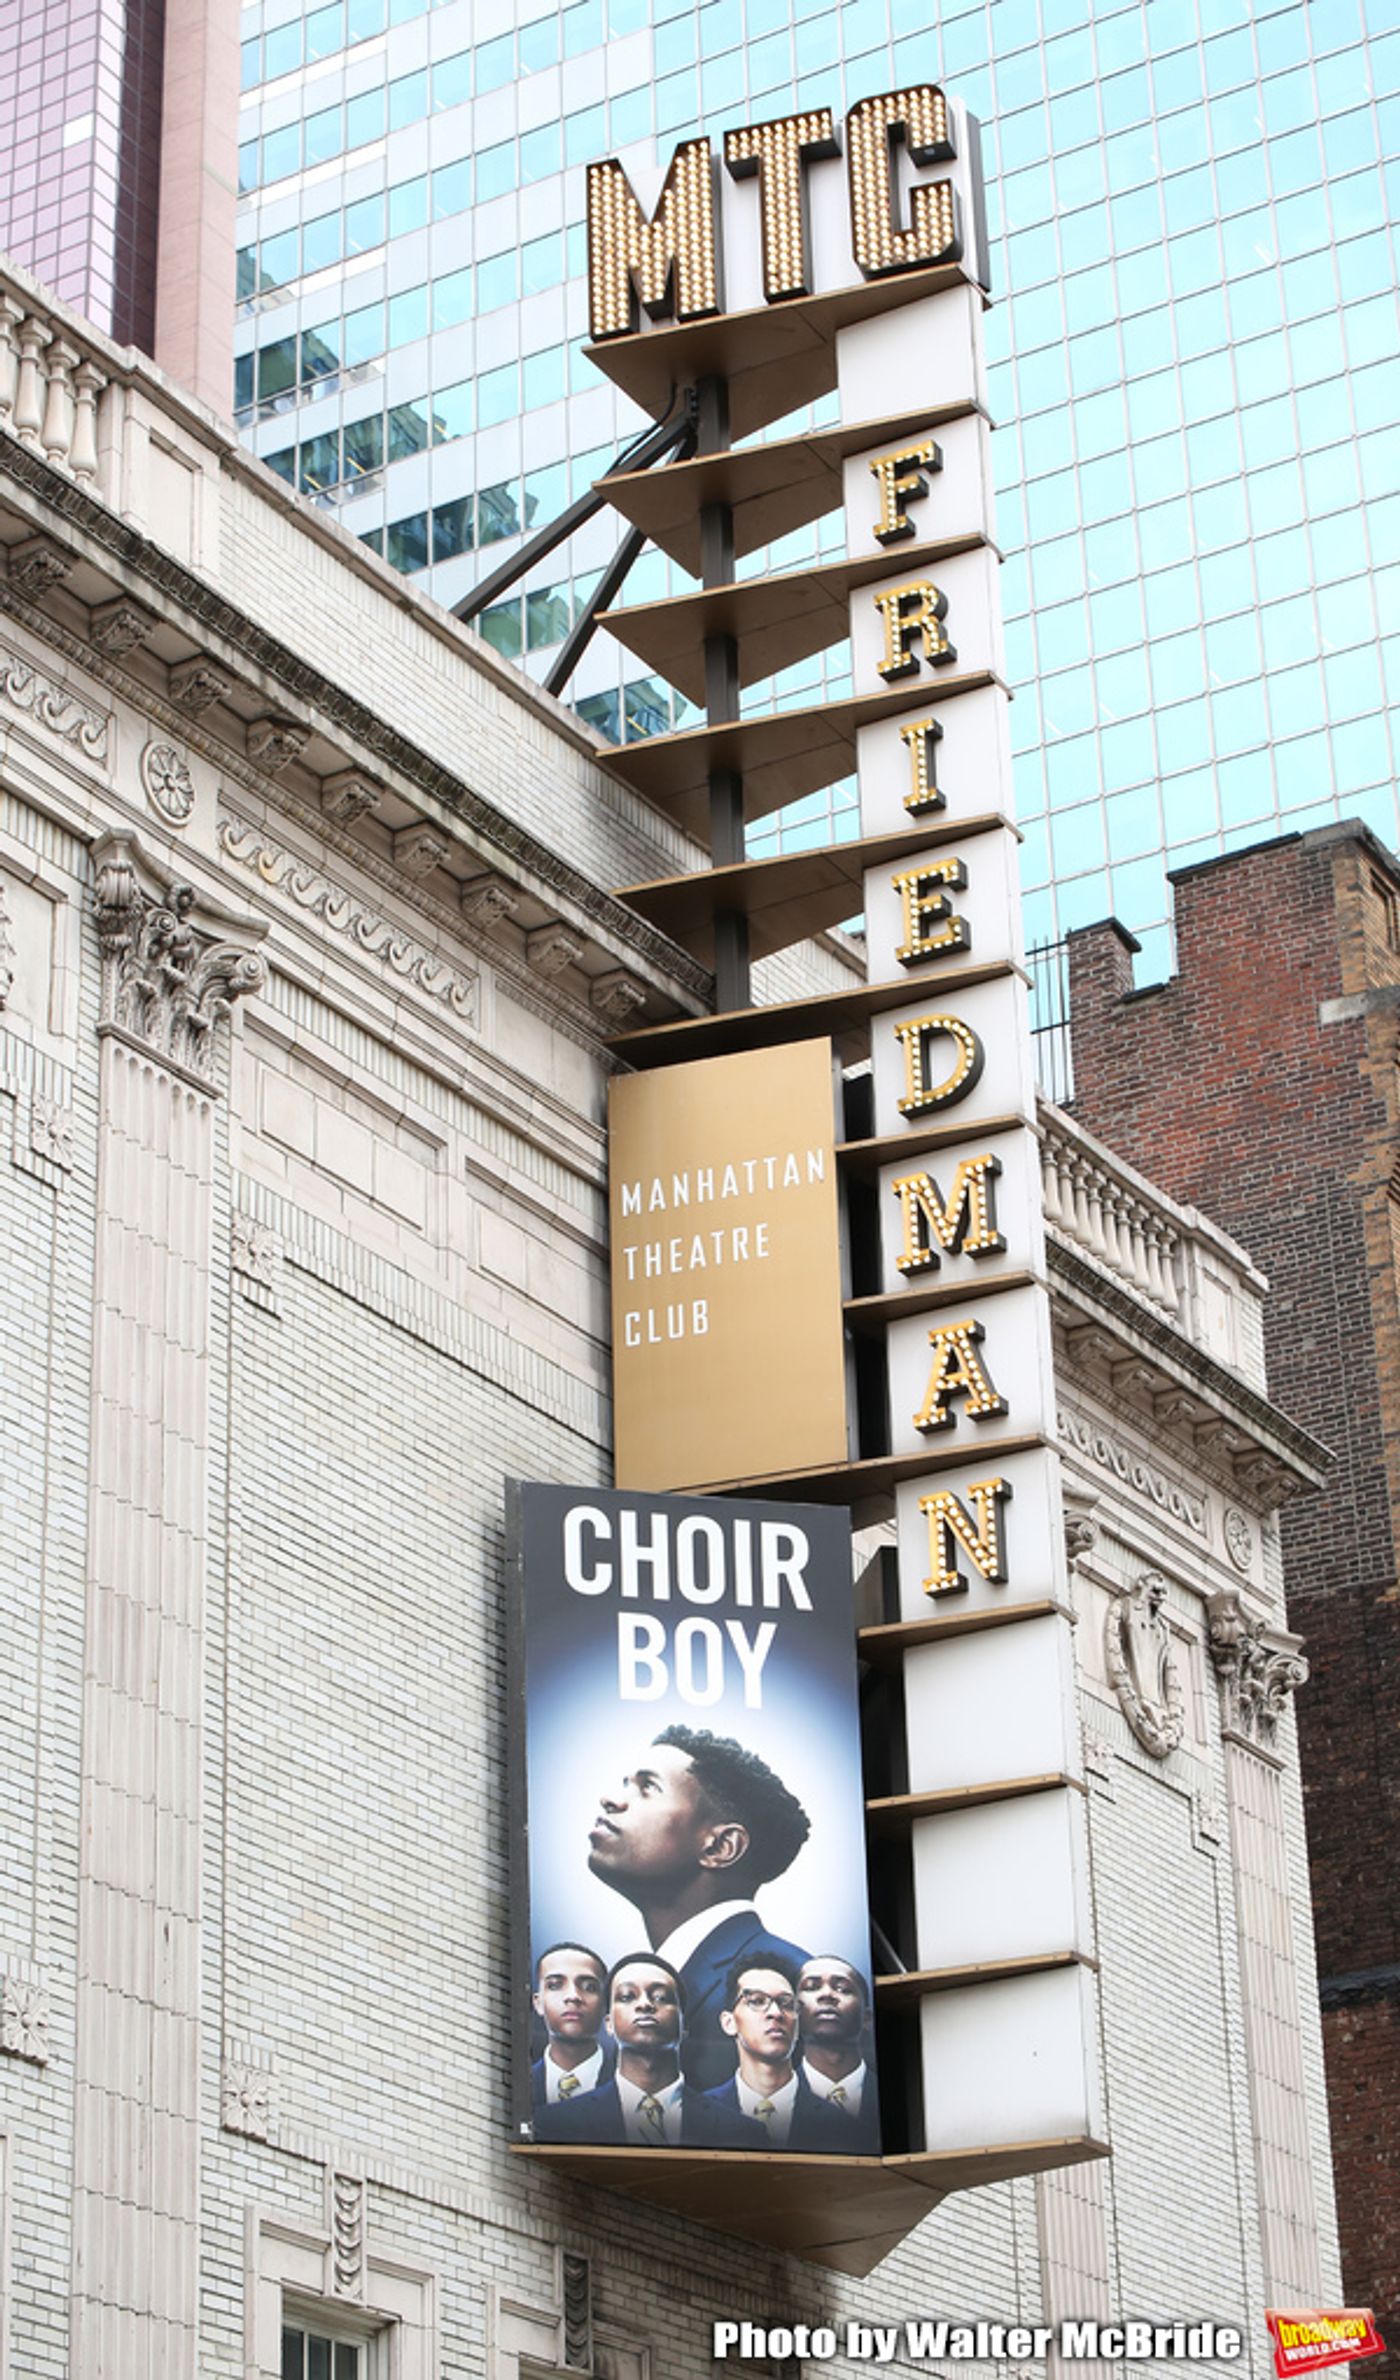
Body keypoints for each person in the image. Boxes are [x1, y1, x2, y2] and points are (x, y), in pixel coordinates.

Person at [586, 1724, 811, 2089]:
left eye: (648, 1788)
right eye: (625, 1783)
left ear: (720, 1847)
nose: (611, 1800)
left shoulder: (796, 1985)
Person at [534, 1955, 729, 2147]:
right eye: (627, 1996)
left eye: (661, 1997)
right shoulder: (555, 2123)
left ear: (683, 2024)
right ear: (608, 2024)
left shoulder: (739, 2128)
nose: (645, 2004)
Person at [701, 1958, 854, 2152]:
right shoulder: (694, 2116)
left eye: (786, 2003)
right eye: (756, 2001)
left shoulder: (842, 2125)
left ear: (797, 2026)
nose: (775, 2012)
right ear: (728, 2022)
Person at [797, 1954, 881, 2152]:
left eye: (843, 1988)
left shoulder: (894, 2098)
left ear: (867, 2018)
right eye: (811, 1987)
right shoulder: (771, 2102)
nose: (827, 1994)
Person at [530, 1942, 613, 2110]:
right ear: (538, 2003)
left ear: (605, 2003)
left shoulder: (631, 2088)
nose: (573, 1996)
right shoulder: (517, 2084)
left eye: (589, 1987)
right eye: (555, 1985)